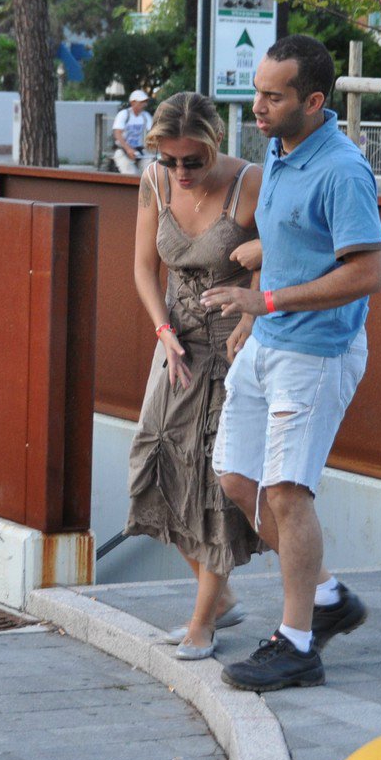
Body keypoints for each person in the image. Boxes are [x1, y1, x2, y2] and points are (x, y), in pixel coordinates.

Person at [201, 34, 381, 692]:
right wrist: (253, 316)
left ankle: (299, 642)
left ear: (312, 100)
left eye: (272, 96)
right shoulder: (280, 149)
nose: (257, 105)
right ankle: (328, 595)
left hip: (317, 352)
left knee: (287, 491)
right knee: (235, 480)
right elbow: (288, 246)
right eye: (256, 91)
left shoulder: (341, 168)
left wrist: (265, 298)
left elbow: (368, 271)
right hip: (269, 341)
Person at [126, 91, 265, 660]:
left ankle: (203, 621)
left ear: (215, 146)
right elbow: (141, 266)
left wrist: (253, 313)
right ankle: (223, 596)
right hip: (175, 343)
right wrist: (162, 331)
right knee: (151, 469)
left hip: (228, 346)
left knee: (213, 485)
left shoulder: (250, 183)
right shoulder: (154, 182)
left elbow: (286, 254)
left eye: (193, 161)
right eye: (169, 159)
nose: (180, 172)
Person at [113, 90, 155, 175]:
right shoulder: (124, 114)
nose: (144, 105)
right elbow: (117, 133)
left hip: (140, 150)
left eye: (145, 102)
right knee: (131, 175)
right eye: (141, 102)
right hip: (123, 150)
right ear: (133, 102)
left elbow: (153, 132)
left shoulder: (145, 116)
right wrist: (128, 149)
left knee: (150, 173)